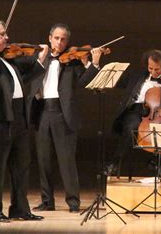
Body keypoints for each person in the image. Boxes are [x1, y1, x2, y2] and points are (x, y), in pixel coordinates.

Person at [0, 6, 47, 222]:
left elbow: (22, 80)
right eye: (2, 34)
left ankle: (19, 209)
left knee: (21, 166)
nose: (7, 38)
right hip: (0, 118)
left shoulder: (8, 61)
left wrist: (42, 58)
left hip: (18, 117)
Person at [27, 23, 104, 213]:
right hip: (42, 112)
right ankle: (47, 201)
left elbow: (86, 81)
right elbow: (28, 78)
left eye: (63, 39)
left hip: (63, 113)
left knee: (66, 160)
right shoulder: (40, 59)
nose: (60, 42)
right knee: (44, 160)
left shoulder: (72, 62)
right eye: (56, 38)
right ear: (50, 38)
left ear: (67, 42)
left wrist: (93, 63)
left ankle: (73, 202)